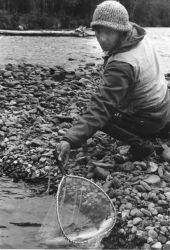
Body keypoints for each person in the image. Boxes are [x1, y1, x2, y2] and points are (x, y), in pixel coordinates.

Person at [57, 0, 170, 163]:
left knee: (102, 117)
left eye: (108, 32)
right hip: (164, 105)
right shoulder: (137, 34)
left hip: (149, 118)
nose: (102, 39)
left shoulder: (122, 64)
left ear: (121, 30)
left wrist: (70, 139)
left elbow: (101, 107)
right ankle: (163, 128)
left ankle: (140, 145)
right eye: (97, 32)